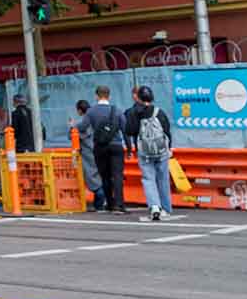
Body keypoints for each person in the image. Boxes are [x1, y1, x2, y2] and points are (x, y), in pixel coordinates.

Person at [125, 85, 174, 221]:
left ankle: (154, 207)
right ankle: (166, 208)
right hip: (161, 151)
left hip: (144, 151)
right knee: (163, 178)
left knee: (148, 179)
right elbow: (167, 131)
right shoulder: (159, 112)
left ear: (138, 98)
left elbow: (129, 131)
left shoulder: (133, 113)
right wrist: (169, 148)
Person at [83, 85, 126, 213]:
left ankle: (110, 203)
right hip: (117, 146)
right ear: (109, 96)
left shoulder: (91, 111)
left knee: (105, 176)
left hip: (100, 147)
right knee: (117, 175)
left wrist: (72, 126)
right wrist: (129, 148)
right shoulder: (117, 111)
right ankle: (119, 204)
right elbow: (125, 129)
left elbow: (83, 126)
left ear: (96, 96)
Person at [73, 99, 104, 211]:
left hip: (87, 155)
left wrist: (72, 126)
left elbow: (72, 136)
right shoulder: (97, 121)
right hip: (101, 152)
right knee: (100, 178)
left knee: (93, 182)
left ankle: (99, 203)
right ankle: (99, 204)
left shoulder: (80, 124)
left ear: (80, 111)